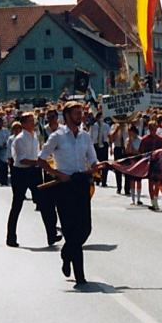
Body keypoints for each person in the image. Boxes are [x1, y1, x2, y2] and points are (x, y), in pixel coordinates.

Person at [36, 102, 105, 286]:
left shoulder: (85, 136)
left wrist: (96, 166)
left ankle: (66, 253)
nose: (80, 116)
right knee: (70, 230)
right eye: (76, 113)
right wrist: (58, 174)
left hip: (81, 184)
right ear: (66, 115)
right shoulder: (57, 137)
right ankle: (80, 276)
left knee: (85, 229)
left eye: (81, 113)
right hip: (64, 186)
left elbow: (91, 158)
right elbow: (41, 160)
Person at [7, 113, 59, 248]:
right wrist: (39, 162)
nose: (32, 123)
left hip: (34, 172)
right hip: (21, 173)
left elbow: (38, 153)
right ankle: (11, 236)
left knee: (44, 202)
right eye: (29, 121)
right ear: (23, 124)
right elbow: (21, 159)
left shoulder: (35, 136)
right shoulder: (19, 139)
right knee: (17, 204)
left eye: (33, 121)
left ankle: (51, 235)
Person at [138, 120, 162, 211]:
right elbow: (141, 152)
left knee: (157, 183)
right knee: (151, 183)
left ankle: (155, 201)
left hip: (158, 163)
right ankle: (152, 201)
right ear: (149, 129)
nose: (153, 131)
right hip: (149, 163)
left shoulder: (160, 139)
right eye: (151, 129)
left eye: (155, 129)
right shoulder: (145, 139)